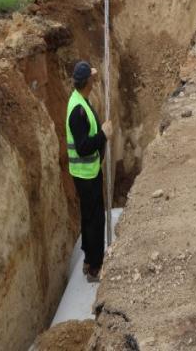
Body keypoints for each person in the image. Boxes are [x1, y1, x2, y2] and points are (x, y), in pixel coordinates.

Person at [66, 61, 113, 283]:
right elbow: (84, 147)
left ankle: (88, 259)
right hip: (86, 174)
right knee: (95, 219)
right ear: (87, 83)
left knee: (89, 216)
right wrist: (103, 135)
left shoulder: (80, 100)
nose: (95, 81)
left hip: (87, 171)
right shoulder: (78, 111)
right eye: (92, 78)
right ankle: (95, 267)